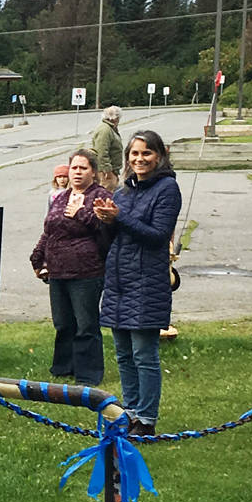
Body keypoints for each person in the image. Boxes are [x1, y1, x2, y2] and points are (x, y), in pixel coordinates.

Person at [94, 129, 182, 437]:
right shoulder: (123, 191)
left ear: (159, 156)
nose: (140, 159)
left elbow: (157, 235)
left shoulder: (167, 189)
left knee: (144, 354)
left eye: (146, 153)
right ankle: (128, 412)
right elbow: (112, 239)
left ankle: (146, 419)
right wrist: (104, 221)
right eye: (134, 153)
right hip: (119, 280)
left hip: (147, 280)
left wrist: (119, 218)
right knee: (123, 353)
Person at [28, 148, 111, 387]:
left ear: (93, 172)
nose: (77, 172)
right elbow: (50, 229)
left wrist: (81, 213)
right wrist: (37, 256)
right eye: (74, 167)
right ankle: (64, 368)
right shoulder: (62, 196)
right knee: (63, 323)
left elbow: (105, 228)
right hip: (57, 270)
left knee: (86, 323)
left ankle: (88, 374)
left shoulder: (101, 196)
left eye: (83, 168)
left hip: (86, 271)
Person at [91, 106, 123, 192]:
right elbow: (101, 152)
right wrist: (107, 171)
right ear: (115, 118)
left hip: (112, 170)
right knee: (106, 194)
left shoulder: (110, 128)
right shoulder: (105, 130)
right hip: (105, 173)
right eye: (119, 117)